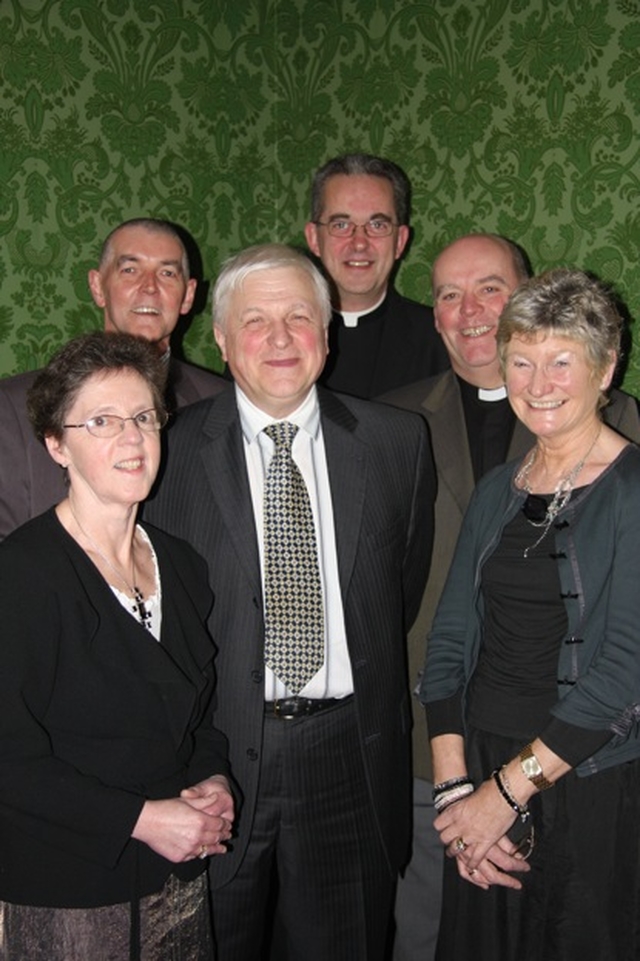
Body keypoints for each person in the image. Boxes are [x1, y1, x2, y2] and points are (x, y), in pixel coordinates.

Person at [144, 243, 435, 961]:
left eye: (299, 317)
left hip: (349, 755)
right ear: (219, 337)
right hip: (213, 764)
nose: (279, 339)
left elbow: (398, 587)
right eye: (256, 321)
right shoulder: (166, 453)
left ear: (327, 332)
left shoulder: (397, 442)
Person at [380, 234, 640, 961]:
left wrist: (502, 794)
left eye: (563, 360)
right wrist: (456, 791)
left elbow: (624, 671)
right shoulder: (501, 488)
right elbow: (450, 641)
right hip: (481, 764)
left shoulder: (633, 489)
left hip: (582, 772)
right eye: (521, 360)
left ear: (605, 367)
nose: (540, 380)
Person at [0, 331, 235, 961]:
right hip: (69, 889)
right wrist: (145, 820)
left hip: (179, 882)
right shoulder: (21, 575)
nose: (131, 439)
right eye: (101, 421)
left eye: (142, 417)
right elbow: (9, 762)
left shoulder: (182, 565)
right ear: (57, 444)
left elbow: (201, 716)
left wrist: (211, 777)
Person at [0, 217, 225, 540]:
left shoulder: (219, 403)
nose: (150, 287)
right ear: (97, 286)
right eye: (130, 270)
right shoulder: (12, 407)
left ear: (188, 295)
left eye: (167, 273)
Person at [304, 153, 449, 398]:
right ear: (314, 239)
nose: (359, 243)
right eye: (340, 225)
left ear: (400, 241)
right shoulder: (276, 339)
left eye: (377, 225)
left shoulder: (440, 341)